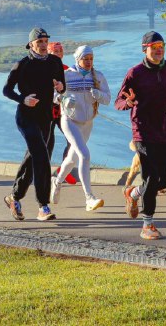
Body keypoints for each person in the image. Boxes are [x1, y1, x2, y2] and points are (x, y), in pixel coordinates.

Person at [115, 31, 166, 240]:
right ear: (145, 49)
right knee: (150, 178)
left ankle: (132, 193)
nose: (159, 49)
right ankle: (147, 225)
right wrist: (129, 102)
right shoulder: (135, 73)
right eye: (154, 46)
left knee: (162, 182)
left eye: (161, 45)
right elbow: (119, 102)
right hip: (142, 130)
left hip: (164, 130)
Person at [3, 27, 66, 222]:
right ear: (31, 44)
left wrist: (60, 87)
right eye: (39, 42)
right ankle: (43, 206)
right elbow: (6, 90)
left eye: (45, 41)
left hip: (45, 117)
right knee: (41, 156)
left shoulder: (55, 62)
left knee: (33, 158)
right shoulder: (22, 64)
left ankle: (13, 197)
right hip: (26, 117)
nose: (43, 45)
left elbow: (62, 85)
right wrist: (23, 99)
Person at [50, 45, 111, 211]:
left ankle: (57, 180)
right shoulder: (67, 75)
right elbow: (54, 95)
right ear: (78, 59)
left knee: (72, 158)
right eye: (86, 59)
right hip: (69, 120)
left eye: (91, 58)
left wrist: (98, 95)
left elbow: (107, 98)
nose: (89, 62)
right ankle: (89, 198)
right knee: (84, 155)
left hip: (87, 122)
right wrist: (63, 100)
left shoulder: (97, 76)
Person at [47, 42, 78, 185]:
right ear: (48, 53)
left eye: (60, 51)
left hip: (62, 112)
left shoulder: (67, 70)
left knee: (73, 140)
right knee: (47, 144)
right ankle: (44, 174)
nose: (58, 53)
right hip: (47, 113)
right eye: (55, 51)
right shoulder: (43, 69)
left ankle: (62, 171)